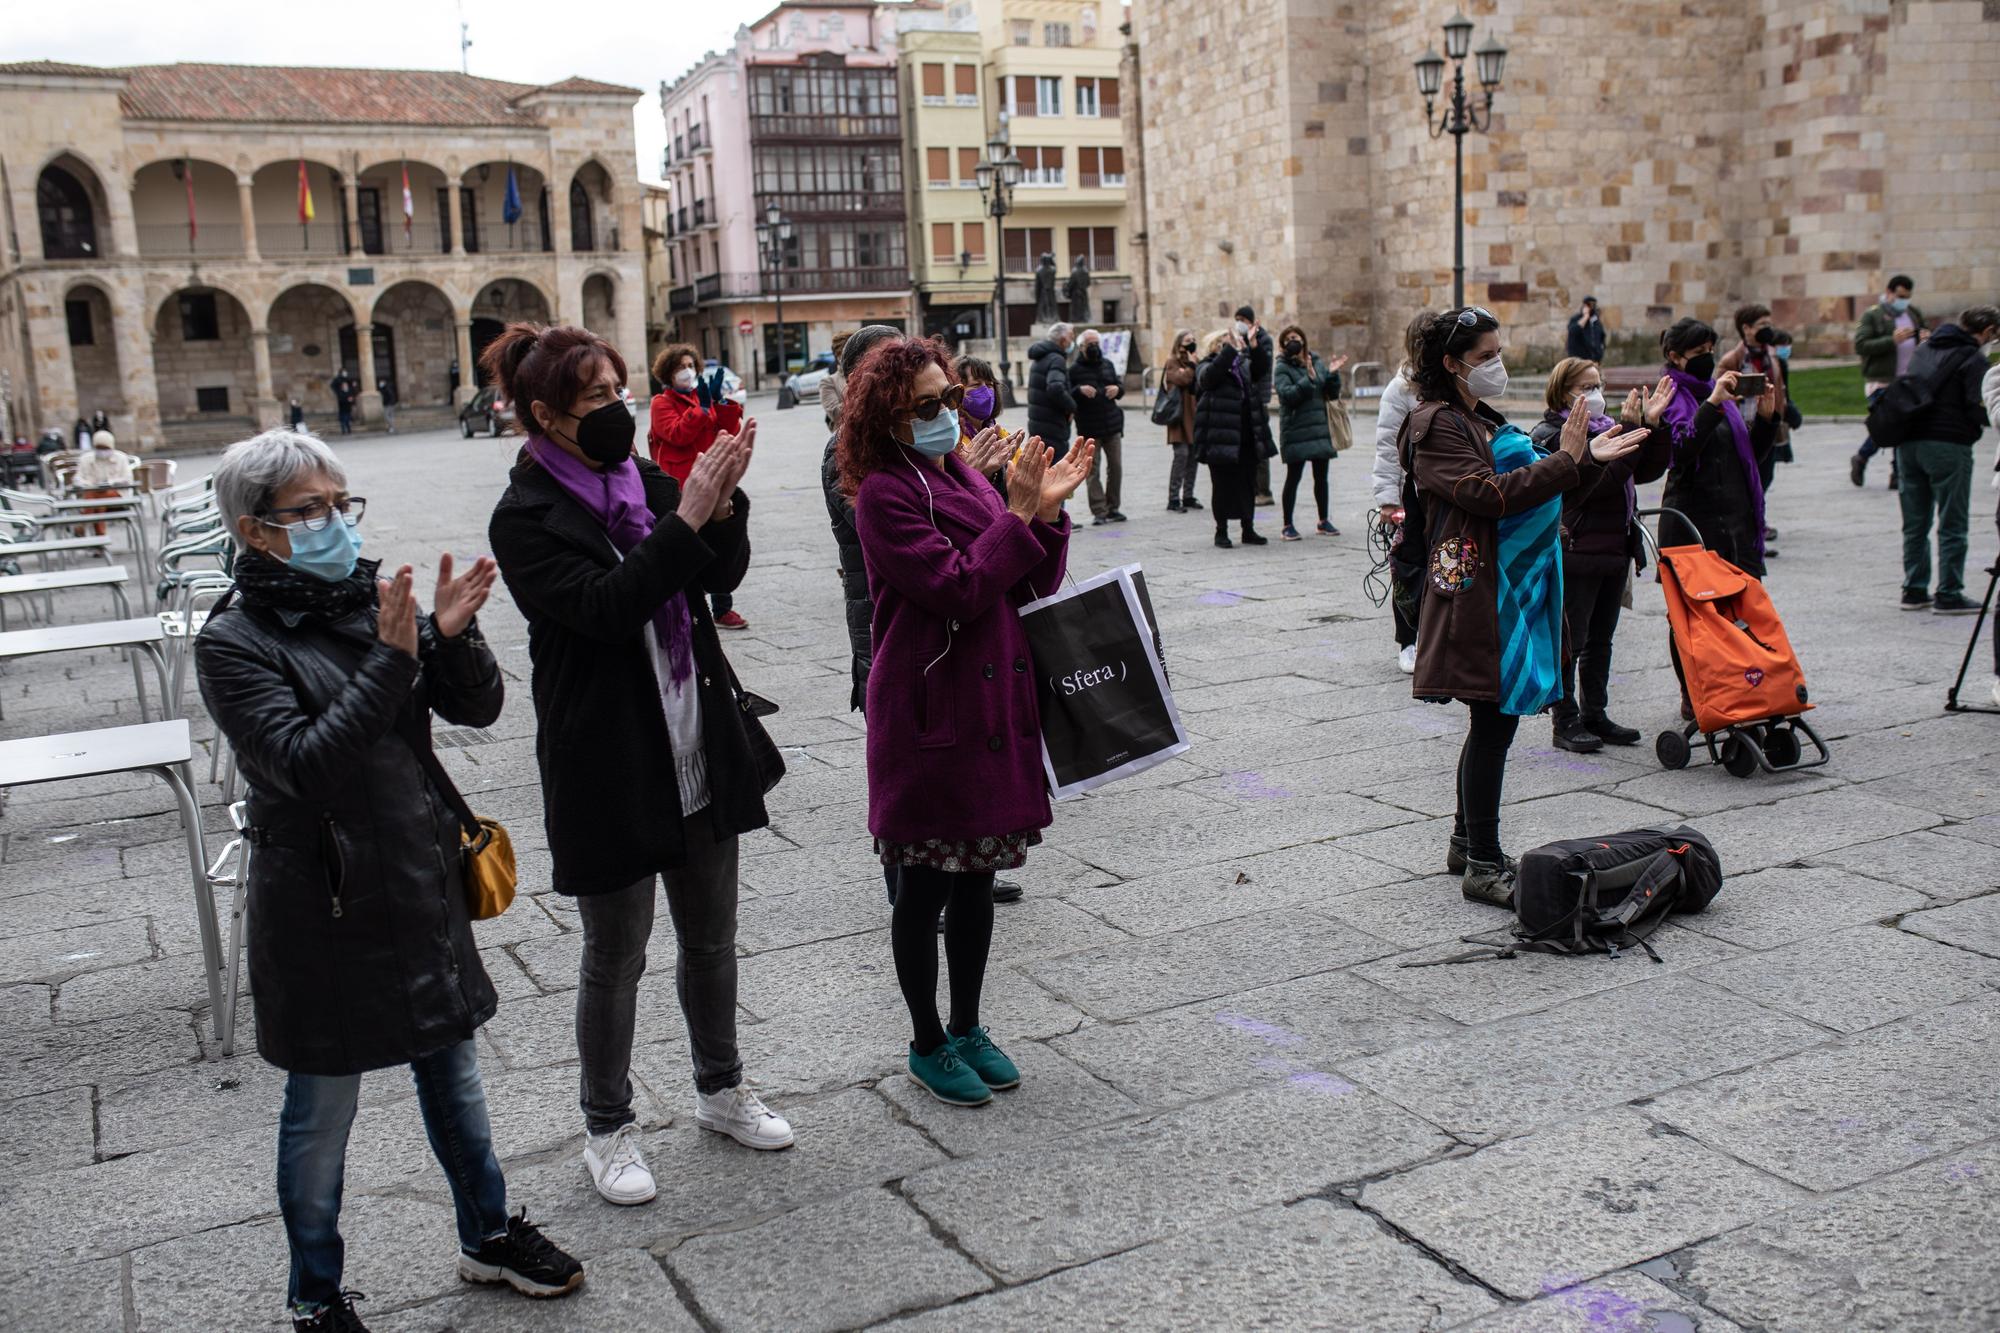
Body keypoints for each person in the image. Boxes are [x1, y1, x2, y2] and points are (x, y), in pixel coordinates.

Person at [195, 430, 584, 1331]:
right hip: (323, 903)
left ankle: (487, 1234)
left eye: (343, 502)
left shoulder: (373, 598)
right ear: (257, 532)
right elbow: (304, 765)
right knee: (322, 1108)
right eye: (312, 510)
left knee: (454, 1075)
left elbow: (478, 706)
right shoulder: (234, 643)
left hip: (416, 873)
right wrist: (398, 655)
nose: (336, 522)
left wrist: (453, 635)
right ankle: (315, 1294)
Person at [484, 323, 793, 1211]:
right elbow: (608, 607)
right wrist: (687, 516)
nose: (616, 412)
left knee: (711, 936)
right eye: (595, 401)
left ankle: (721, 1086)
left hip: (695, 728)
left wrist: (723, 503)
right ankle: (608, 1127)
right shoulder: (526, 516)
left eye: (621, 391)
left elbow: (716, 574)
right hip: (607, 755)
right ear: (544, 416)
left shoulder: (642, 481)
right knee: (614, 953)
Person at [836, 334, 1092, 1107]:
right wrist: (1016, 510)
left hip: (991, 702)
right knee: (922, 886)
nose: (948, 414)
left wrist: (1044, 513)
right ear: (888, 415)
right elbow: (956, 586)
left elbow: (1029, 578)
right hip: (930, 709)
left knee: (979, 878)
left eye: (953, 398)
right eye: (928, 405)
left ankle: (970, 1023)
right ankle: (925, 1038)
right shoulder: (884, 492)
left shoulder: (955, 472)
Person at [1403, 308, 1646, 906]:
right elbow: (1484, 498)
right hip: (1479, 592)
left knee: (1493, 721)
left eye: (1496, 353)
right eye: (1486, 356)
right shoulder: (1435, 424)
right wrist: (1566, 462)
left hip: (1499, 586)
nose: (1497, 365)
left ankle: (1468, 841)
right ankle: (1483, 863)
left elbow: (1543, 495)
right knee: (1493, 722)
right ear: (1451, 364)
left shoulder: (1471, 417)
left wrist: (1587, 461)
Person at [1528, 359, 1674, 753]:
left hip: (1613, 547)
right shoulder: (1555, 434)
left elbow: (1641, 471)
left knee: (1600, 640)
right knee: (1571, 640)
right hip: (1576, 549)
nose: (1595, 393)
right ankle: (1565, 720)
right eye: (1585, 387)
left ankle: (1595, 713)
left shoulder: (1605, 428)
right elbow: (1601, 484)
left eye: (1599, 384)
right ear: (1562, 393)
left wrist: (1653, 427)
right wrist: (1626, 433)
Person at [1895, 305, 2000, 616]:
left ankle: (1914, 589)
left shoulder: (1925, 348)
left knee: (1915, 523)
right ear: (1987, 332)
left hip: (1908, 442)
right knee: (1952, 521)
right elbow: (1976, 405)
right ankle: (1949, 592)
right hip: (1947, 445)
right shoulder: (1973, 358)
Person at [1657, 317, 1777, 579]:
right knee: (1699, 618)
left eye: (1711, 351)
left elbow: (1747, 456)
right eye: (1699, 353)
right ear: (1675, 356)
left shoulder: (1718, 392)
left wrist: (1766, 421)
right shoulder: (1668, 396)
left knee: (1746, 616)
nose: (1708, 358)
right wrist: (1712, 405)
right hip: (1693, 527)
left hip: (1736, 527)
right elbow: (1681, 451)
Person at [649, 343, 752, 631]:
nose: (687, 371)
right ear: (668, 373)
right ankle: (689, 606)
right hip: (682, 483)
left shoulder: (700, 396)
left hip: (713, 478)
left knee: (719, 540)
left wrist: (720, 403)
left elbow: (728, 431)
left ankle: (722, 609)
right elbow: (676, 434)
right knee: (688, 543)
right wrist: (702, 410)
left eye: (691, 365)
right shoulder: (661, 403)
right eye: (681, 366)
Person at [1373, 313, 1432, 674]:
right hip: (1410, 496)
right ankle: (1408, 641)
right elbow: (1386, 445)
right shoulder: (1400, 389)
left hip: (1442, 492)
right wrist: (1387, 499)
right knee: (1408, 568)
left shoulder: (1450, 384)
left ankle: (1437, 637)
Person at [1193, 326, 1271, 548]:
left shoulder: (1242, 365)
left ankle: (1248, 528)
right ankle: (1221, 530)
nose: (1232, 344)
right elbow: (1208, 379)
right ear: (1216, 345)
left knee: (1248, 483)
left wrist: (1254, 347)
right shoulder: (1206, 365)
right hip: (1220, 437)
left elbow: (1261, 370)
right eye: (1225, 342)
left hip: (1246, 435)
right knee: (1222, 484)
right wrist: (1229, 352)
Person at [1718, 303, 1790, 541]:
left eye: (1769, 324)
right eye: (1762, 325)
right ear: (1746, 329)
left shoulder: (1771, 354)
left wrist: (1784, 411)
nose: (1768, 329)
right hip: (1742, 427)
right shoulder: (1732, 359)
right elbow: (1720, 394)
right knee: (1748, 479)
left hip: (1767, 425)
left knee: (1765, 477)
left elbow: (1779, 387)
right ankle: (1750, 526)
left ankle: (1757, 522)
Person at [1272, 325, 1346, 540]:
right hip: (1296, 428)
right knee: (1293, 477)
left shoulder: (1315, 360)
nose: (1292, 341)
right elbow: (1287, 396)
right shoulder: (1282, 367)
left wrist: (1332, 375)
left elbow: (1330, 392)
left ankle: (1323, 520)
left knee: (1321, 477)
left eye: (1295, 337)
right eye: (1287, 339)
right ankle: (1287, 524)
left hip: (1319, 426)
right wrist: (1309, 379)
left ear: (1303, 340)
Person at [1852, 275, 1926, 489]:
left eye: (1908, 297)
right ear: (1890, 292)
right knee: (1886, 426)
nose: (1904, 300)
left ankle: (1897, 473)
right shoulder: (1874, 315)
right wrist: (1891, 340)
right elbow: (1861, 345)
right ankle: (1862, 457)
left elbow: (1924, 333)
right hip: (1882, 381)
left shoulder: (1913, 314)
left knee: (1904, 427)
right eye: (1901, 296)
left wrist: (1925, 337)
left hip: (1908, 381)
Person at [1069, 329, 1126, 524]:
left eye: (1096, 343)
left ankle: (1113, 507)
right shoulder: (1074, 370)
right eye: (1089, 344)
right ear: (1082, 347)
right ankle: (1099, 511)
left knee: (1116, 467)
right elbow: (1068, 393)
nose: (1094, 347)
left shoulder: (1108, 364)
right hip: (1088, 426)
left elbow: (1120, 386)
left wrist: (1118, 389)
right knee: (1092, 471)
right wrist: (1078, 390)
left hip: (1112, 424)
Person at [1235, 306, 1278, 504]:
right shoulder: (1239, 339)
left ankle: (1264, 490)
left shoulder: (1263, 339)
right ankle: (1251, 489)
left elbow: (1261, 366)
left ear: (1252, 321)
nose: (1239, 322)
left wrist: (1250, 346)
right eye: (1237, 319)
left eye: (1243, 319)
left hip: (1258, 399)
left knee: (1260, 446)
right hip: (1244, 400)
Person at [1160, 330, 1201, 513]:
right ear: (1179, 344)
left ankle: (1189, 495)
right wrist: (1191, 368)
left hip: (1194, 415)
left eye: (1193, 340)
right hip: (1178, 416)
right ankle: (1173, 497)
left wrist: (1192, 367)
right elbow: (1181, 379)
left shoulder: (1196, 362)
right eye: (1187, 341)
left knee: (1193, 456)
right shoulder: (1172, 362)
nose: (1191, 343)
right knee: (1181, 456)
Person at [1025, 322, 1076, 458]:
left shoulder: (1041, 357)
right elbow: (1055, 387)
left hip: (1039, 424)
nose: (1073, 340)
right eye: (1071, 336)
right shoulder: (1056, 359)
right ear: (1063, 340)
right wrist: (1071, 407)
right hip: (1052, 426)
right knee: (1054, 470)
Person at [71, 429, 134, 536]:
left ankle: (83, 524)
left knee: (97, 496)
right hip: (93, 497)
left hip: (117, 497)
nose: (102, 451)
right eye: (99, 448)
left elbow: (127, 479)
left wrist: (111, 483)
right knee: (96, 497)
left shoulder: (121, 458)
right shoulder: (86, 459)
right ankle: (100, 537)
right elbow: (77, 478)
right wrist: (88, 484)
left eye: (105, 448)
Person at [954, 354, 1002, 445]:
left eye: (989, 385)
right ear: (956, 392)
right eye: (976, 385)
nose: (987, 393)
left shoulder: (999, 434)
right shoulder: (955, 441)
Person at [823, 331, 856, 432]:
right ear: (838, 356)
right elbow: (836, 414)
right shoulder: (828, 382)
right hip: (846, 439)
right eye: (845, 354)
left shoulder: (871, 374)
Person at [1566, 296, 1607, 362]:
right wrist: (1585, 317)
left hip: (1594, 360)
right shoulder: (1576, 319)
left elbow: (1602, 338)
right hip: (1578, 360)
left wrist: (1600, 353)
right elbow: (1572, 332)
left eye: (1592, 305)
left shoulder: (1596, 321)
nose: (1590, 307)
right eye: (1588, 305)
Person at [331, 369, 357, 436]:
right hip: (343, 406)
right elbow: (333, 386)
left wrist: (353, 387)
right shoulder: (338, 382)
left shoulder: (348, 384)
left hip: (348, 407)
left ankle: (348, 430)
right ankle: (344, 430)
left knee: (347, 419)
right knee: (343, 419)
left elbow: (352, 390)